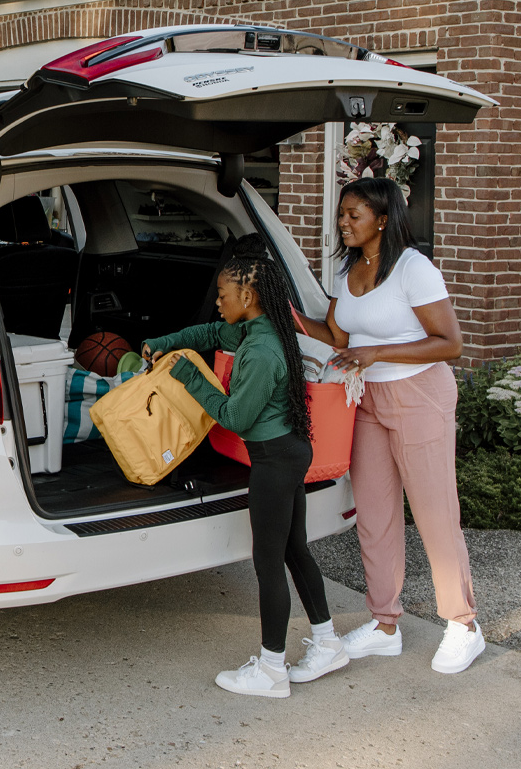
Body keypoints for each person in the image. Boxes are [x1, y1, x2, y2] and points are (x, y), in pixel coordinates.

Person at [142, 234, 346, 698]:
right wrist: (168, 342)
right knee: (295, 551)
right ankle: (329, 643)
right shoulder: (259, 328)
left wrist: (192, 375)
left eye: (222, 295)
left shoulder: (260, 351)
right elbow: (212, 334)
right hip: (288, 451)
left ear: (248, 297)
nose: (217, 302)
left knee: (269, 562)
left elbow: (235, 416)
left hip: (275, 461)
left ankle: (272, 669)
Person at [294, 176, 483, 675]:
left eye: (353, 215)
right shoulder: (347, 267)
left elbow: (450, 342)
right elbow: (337, 335)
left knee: (434, 511)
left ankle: (463, 625)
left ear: (383, 218)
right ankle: (384, 626)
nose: (343, 223)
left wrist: (377, 352)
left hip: (419, 393)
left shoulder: (413, 269)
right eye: (342, 214)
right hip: (366, 397)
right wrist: (285, 313)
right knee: (374, 514)